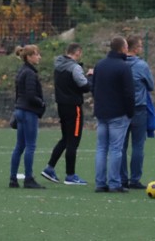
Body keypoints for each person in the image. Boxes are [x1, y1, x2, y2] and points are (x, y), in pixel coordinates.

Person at [40, 43, 93, 185]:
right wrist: (90, 77)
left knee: (65, 138)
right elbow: (84, 86)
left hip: (62, 105)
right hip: (74, 106)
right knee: (73, 141)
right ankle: (70, 175)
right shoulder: (75, 67)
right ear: (78, 52)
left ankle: (49, 167)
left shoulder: (58, 64)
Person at [92, 36, 135, 193]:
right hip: (118, 113)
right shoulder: (123, 67)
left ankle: (100, 183)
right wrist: (130, 112)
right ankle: (115, 183)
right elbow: (129, 93)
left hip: (101, 112)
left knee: (101, 148)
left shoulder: (100, 65)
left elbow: (93, 86)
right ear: (122, 48)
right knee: (116, 149)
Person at [119, 35, 155, 190]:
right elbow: (151, 85)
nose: (141, 48)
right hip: (138, 108)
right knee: (138, 145)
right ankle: (135, 179)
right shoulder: (142, 65)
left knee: (120, 146)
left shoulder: (117, 64)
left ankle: (121, 178)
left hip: (120, 108)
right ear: (135, 48)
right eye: (140, 46)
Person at [10, 45, 46, 189]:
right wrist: (41, 103)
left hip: (20, 109)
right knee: (30, 146)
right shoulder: (30, 73)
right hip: (28, 111)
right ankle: (28, 178)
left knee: (19, 146)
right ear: (29, 57)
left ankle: (13, 178)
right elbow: (31, 95)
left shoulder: (21, 71)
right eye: (37, 54)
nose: (39, 57)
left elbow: (19, 93)